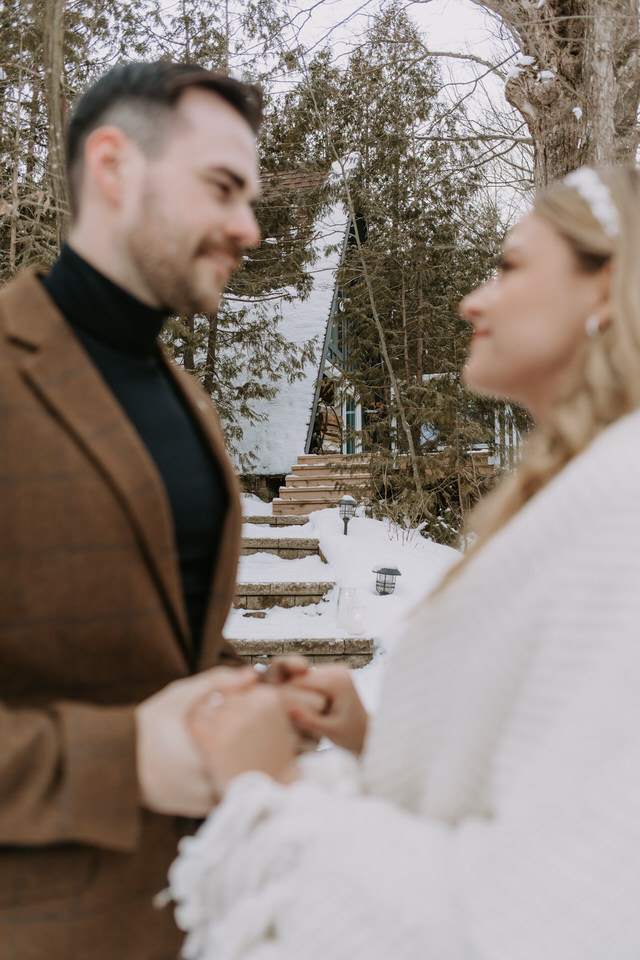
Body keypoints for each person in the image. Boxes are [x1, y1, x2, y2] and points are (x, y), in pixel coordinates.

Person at [166, 166, 640, 960]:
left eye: (512, 266)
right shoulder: (568, 493)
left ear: (606, 288)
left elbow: (552, 917)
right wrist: (369, 738)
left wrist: (273, 797)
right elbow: (541, 772)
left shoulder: (622, 508)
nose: (471, 301)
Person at [0, 61, 322, 960]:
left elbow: (158, 643)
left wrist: (245, 693)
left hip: (193, 923)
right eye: (223, 188)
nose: (248, 229)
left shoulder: (185, 397)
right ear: (113, 166)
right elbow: (130, 731)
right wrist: (120, 759)